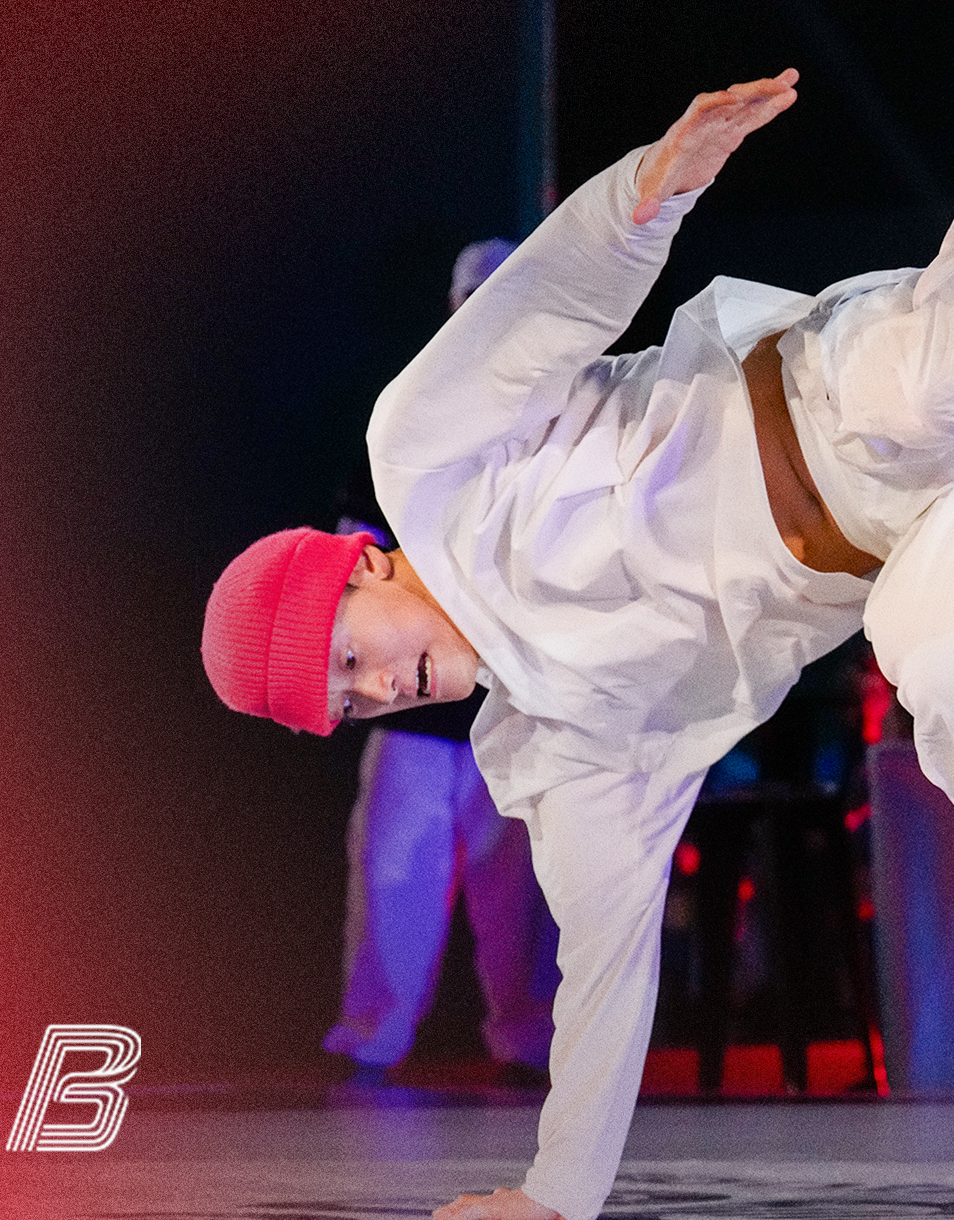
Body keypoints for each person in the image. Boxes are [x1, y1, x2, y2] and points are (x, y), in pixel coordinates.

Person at [200, 2, 954, 1217]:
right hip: (945, 531)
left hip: (842, 389)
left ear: (359, 569)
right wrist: (554, 1197)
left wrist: (653, 187)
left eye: (347, 661)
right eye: (345, 705)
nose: (371, 695)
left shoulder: (425, 454)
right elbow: (606, 974)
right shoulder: (565, 751)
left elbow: (543, 307)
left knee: (950, 373)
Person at [321, 240, 562, 1089]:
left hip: (518, 694)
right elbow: (354, 546)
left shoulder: (554, 412)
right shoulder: (406, 416)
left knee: (522, 883)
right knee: (395, 869)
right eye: (472, 304)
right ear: (454, 310)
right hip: (418, 706)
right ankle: (372, 1034)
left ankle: (529, 1035)